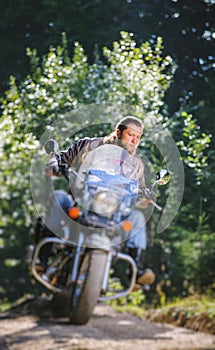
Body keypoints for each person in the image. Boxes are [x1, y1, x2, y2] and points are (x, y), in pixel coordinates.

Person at [38, 116, 155, 286]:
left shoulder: (136, 165)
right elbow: (62, 158)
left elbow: (140, 188)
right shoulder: (89, 146)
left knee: (137, 218)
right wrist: (54, 163)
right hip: (82, 204)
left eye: (138, 137)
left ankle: (135, 271)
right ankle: (43, 257)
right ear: (118, 132)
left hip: (114, 213)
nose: (134, 140)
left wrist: (146, 195)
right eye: (131, 135)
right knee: (60, 197)